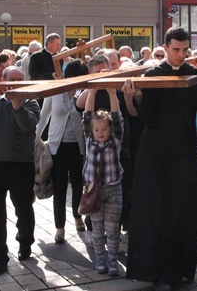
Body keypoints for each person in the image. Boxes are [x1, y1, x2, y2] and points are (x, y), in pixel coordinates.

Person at [123, 27, 197, 291]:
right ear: (166, 47)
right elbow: (148, 120)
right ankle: (154, 272)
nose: (180, 55)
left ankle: (175, 272)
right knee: (153, 213)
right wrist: (133, 96)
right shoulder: (152, 75)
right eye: (176, 49)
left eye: (184, 50)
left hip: (183, 153)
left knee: (180, 213)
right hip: (153, 153)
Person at [0, 66, 40, 275]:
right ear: (3, 81)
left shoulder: (31, 102)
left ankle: (25, 243)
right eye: (12, 79)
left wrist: (17, 104)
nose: (16, 82)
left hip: (22, 166)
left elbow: (27, 125)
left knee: (23, 208)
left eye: (20, 79)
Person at [36, 59, 89, 244]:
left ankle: (77, 216)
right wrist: (35, 138)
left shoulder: (84, 91)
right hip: (57, 146)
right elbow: (44, 116)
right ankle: (60, 228)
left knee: (77, 184)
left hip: (78, 146)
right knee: (59, 187)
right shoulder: (56, 90)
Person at [82, 88, 124, 277]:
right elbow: (86, 115)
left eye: (104, 129)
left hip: (113, 188)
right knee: (97, 227)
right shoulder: (89, 139)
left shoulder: (115, 140)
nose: (100, 132)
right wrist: (91, 92)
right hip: (93, 190)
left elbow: (117, 116)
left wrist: (111, 93)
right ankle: (100, 258)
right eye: (97, 129)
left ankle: (113, 260)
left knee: (112, 227)